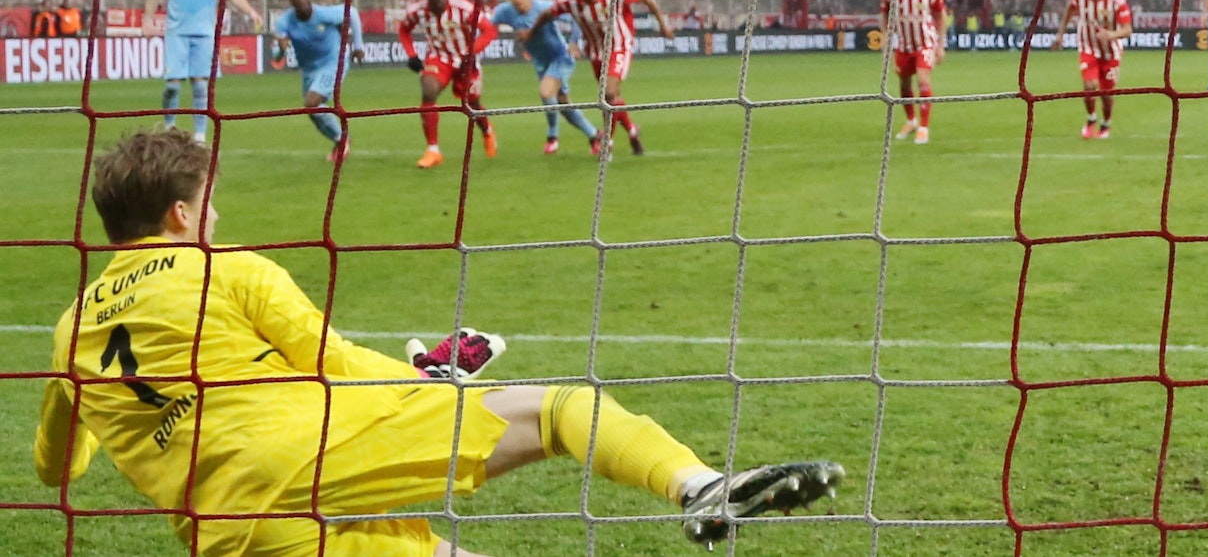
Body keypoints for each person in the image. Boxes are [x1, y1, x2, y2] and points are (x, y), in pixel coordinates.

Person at [34, 128, 846, 557]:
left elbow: (55, 465)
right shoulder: (227, 270)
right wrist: (434, 386)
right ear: (179, 214)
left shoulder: (70, 331)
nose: (212, 215)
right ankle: (698, 485)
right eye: (205, 201)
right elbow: (336, 361)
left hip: (228, 532)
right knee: (567, 407)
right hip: (309, 459)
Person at [526, 0, 674, 158]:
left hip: (619, 46)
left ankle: (607, 143)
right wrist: (531, 33)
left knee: (609, 93)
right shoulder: (567, 0)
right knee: (611, 98)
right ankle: (632, 130)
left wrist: (663, 25)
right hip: (596, 52)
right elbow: (548, 14)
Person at [144, 0, 265, 143]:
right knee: (172, 86)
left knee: (200, 86)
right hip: (177, 32)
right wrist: (147, 20)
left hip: (205, 34)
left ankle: (199, 136)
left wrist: (251, 11)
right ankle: (169, 125)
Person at [490, 0, 600, 155]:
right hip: (541, 62)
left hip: (561, 57)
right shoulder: (505, 11)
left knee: (546, 93)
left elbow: (576, 17)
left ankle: (553, 136)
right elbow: (485, 25)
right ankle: (593, 135)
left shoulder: (544, 7)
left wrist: (573, 42)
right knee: (563, 104)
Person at [399, 0, 499, 169]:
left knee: (472, 103)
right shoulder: (417, 11)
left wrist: (471, 51)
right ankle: (433, 150)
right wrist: (412, 55)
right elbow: (404, 30)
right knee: (428, 91)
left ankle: (487, 131)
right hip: (439, 58)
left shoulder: (463, 7)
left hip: (466, 59)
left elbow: (489, 31)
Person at [272, 0, 365, 163]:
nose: (301, 0)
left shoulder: (324, 14)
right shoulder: (284, 21)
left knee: (312, 103)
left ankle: (342, 139)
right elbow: (276, 59)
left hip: (334, 61)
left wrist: (358, 46)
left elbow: (352, 12)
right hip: (309, 69)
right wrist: (282, 50)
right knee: (312, 112)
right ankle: (340, 140)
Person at [1051, 0, 1133, 140]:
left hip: (1111, 52)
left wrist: (1111, 35)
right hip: (1088, 47)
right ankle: (1091, 118)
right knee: (1090, 86)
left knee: (1106, 95)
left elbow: (1127, 30)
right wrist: (1060, 35)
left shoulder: (1117, 1)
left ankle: (1106, 123)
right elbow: (1068, 13)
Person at [880, 0, 946, 145]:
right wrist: (886, 39)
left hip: (925, 43)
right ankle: (911, 121)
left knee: (923, 79)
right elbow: (884, 15)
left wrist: (940, 45)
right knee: (904, 83)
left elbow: (941, 16)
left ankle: (924, 127)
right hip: (904, 45)